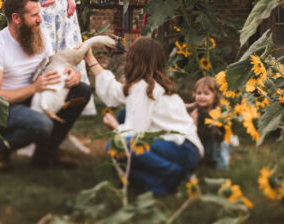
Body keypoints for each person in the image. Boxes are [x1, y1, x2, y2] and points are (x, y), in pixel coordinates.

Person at [0, 0, 91, 170]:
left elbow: (54, 64)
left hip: (33, 97)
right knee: (42, 124)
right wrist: (34, 88)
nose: (40, 20)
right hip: (2, 109)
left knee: (82, 90)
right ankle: (0, 146)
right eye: (34, 15)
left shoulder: (38, 36)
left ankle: (46, 151)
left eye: (39, 14)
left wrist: (73, 74)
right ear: (16, 18)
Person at [84, 37, 203, 195]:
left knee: (116, 146)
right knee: (124, 115)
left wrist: (115, 127)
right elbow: (114, 91)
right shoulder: (148, 84)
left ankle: (171, 174)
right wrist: (90, 59)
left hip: (182, 150)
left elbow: (136, 133)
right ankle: (159, 180)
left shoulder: (144, 87)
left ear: (134, 59)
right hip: (186, 149)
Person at [186, 76, 234, 169]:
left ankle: (221, 166)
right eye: (198, 93)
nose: (201, 96)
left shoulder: (218, 112)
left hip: (217, 140)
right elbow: (184, 106)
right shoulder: (195, 109)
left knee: (220, 147)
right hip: (202, 139)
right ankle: (200, 160)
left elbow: (220, 134)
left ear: (215, 96)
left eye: (206, 93)